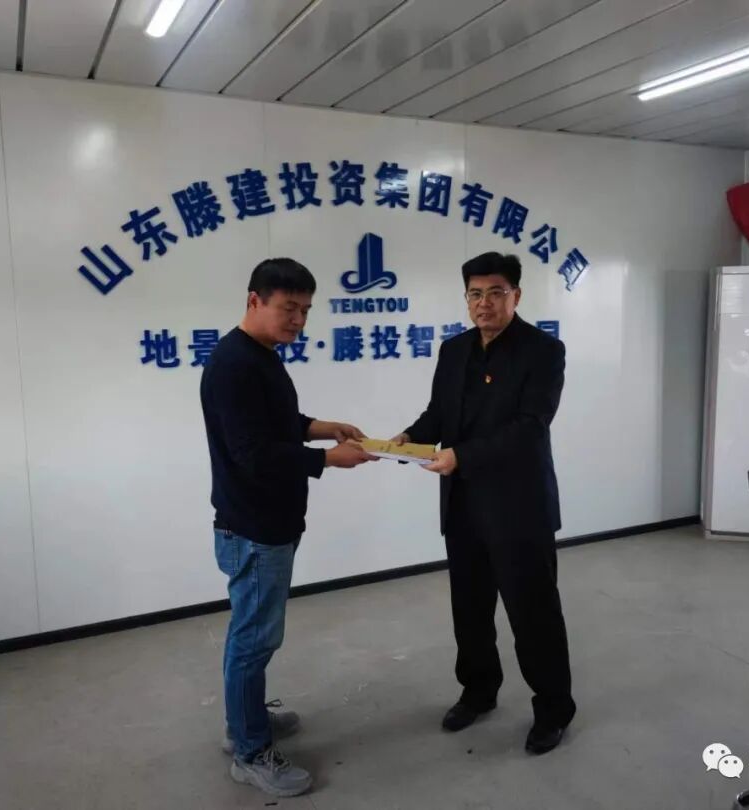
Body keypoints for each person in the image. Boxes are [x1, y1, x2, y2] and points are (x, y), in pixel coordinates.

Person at [200, 258, 374, 797]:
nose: (298, 320)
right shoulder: (234, 364)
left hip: (266, 519)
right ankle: (250, 752)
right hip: (254, 526)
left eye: (305, 310)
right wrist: (326, 460)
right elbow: (252, 453)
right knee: (254, 640)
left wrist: (322, 428)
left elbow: (275, 424)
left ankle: (246, 722)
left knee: (253, 635)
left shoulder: (260, 355)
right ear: (254, 301)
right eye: (288, 308)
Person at [392, 252, 576, 754]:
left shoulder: (543, 351)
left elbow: (530, 427)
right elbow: (439, 414)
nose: (485, 303)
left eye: (496, 292)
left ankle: (554, 709)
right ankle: (478, 691)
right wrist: (408, 438)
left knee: (533, 615)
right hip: (463, 505)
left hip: (519, 509)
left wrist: (461, 456)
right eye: (475, 294)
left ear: (517, 295)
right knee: (470, 611)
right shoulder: (454, 350)